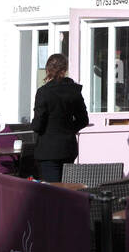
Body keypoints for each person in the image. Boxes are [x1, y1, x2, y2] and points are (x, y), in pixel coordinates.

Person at [30, 53, 89, 183]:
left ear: (47, 70)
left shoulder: (43, 92)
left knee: (52, 192)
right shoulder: (74, 91)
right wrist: (68, 130)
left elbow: (38, 124)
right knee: (66, 191)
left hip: (48, 150)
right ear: (65, 69)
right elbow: (84, 120)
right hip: (68, 148)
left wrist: (34, 126)